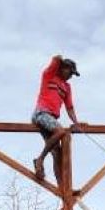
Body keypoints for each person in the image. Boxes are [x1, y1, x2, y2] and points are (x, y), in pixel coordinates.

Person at [31, 54, 81, 182]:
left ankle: (61, 189)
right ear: (62, 68)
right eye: (70, 72)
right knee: (61, 131)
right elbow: (57, 58)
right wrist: (60, 60)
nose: (71, 76)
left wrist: (76, 123)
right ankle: (40, 159)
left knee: (57, 154)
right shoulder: (49, 75)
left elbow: (69, 108)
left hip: (52, 119)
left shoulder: (67, 87)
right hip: (41, 114)